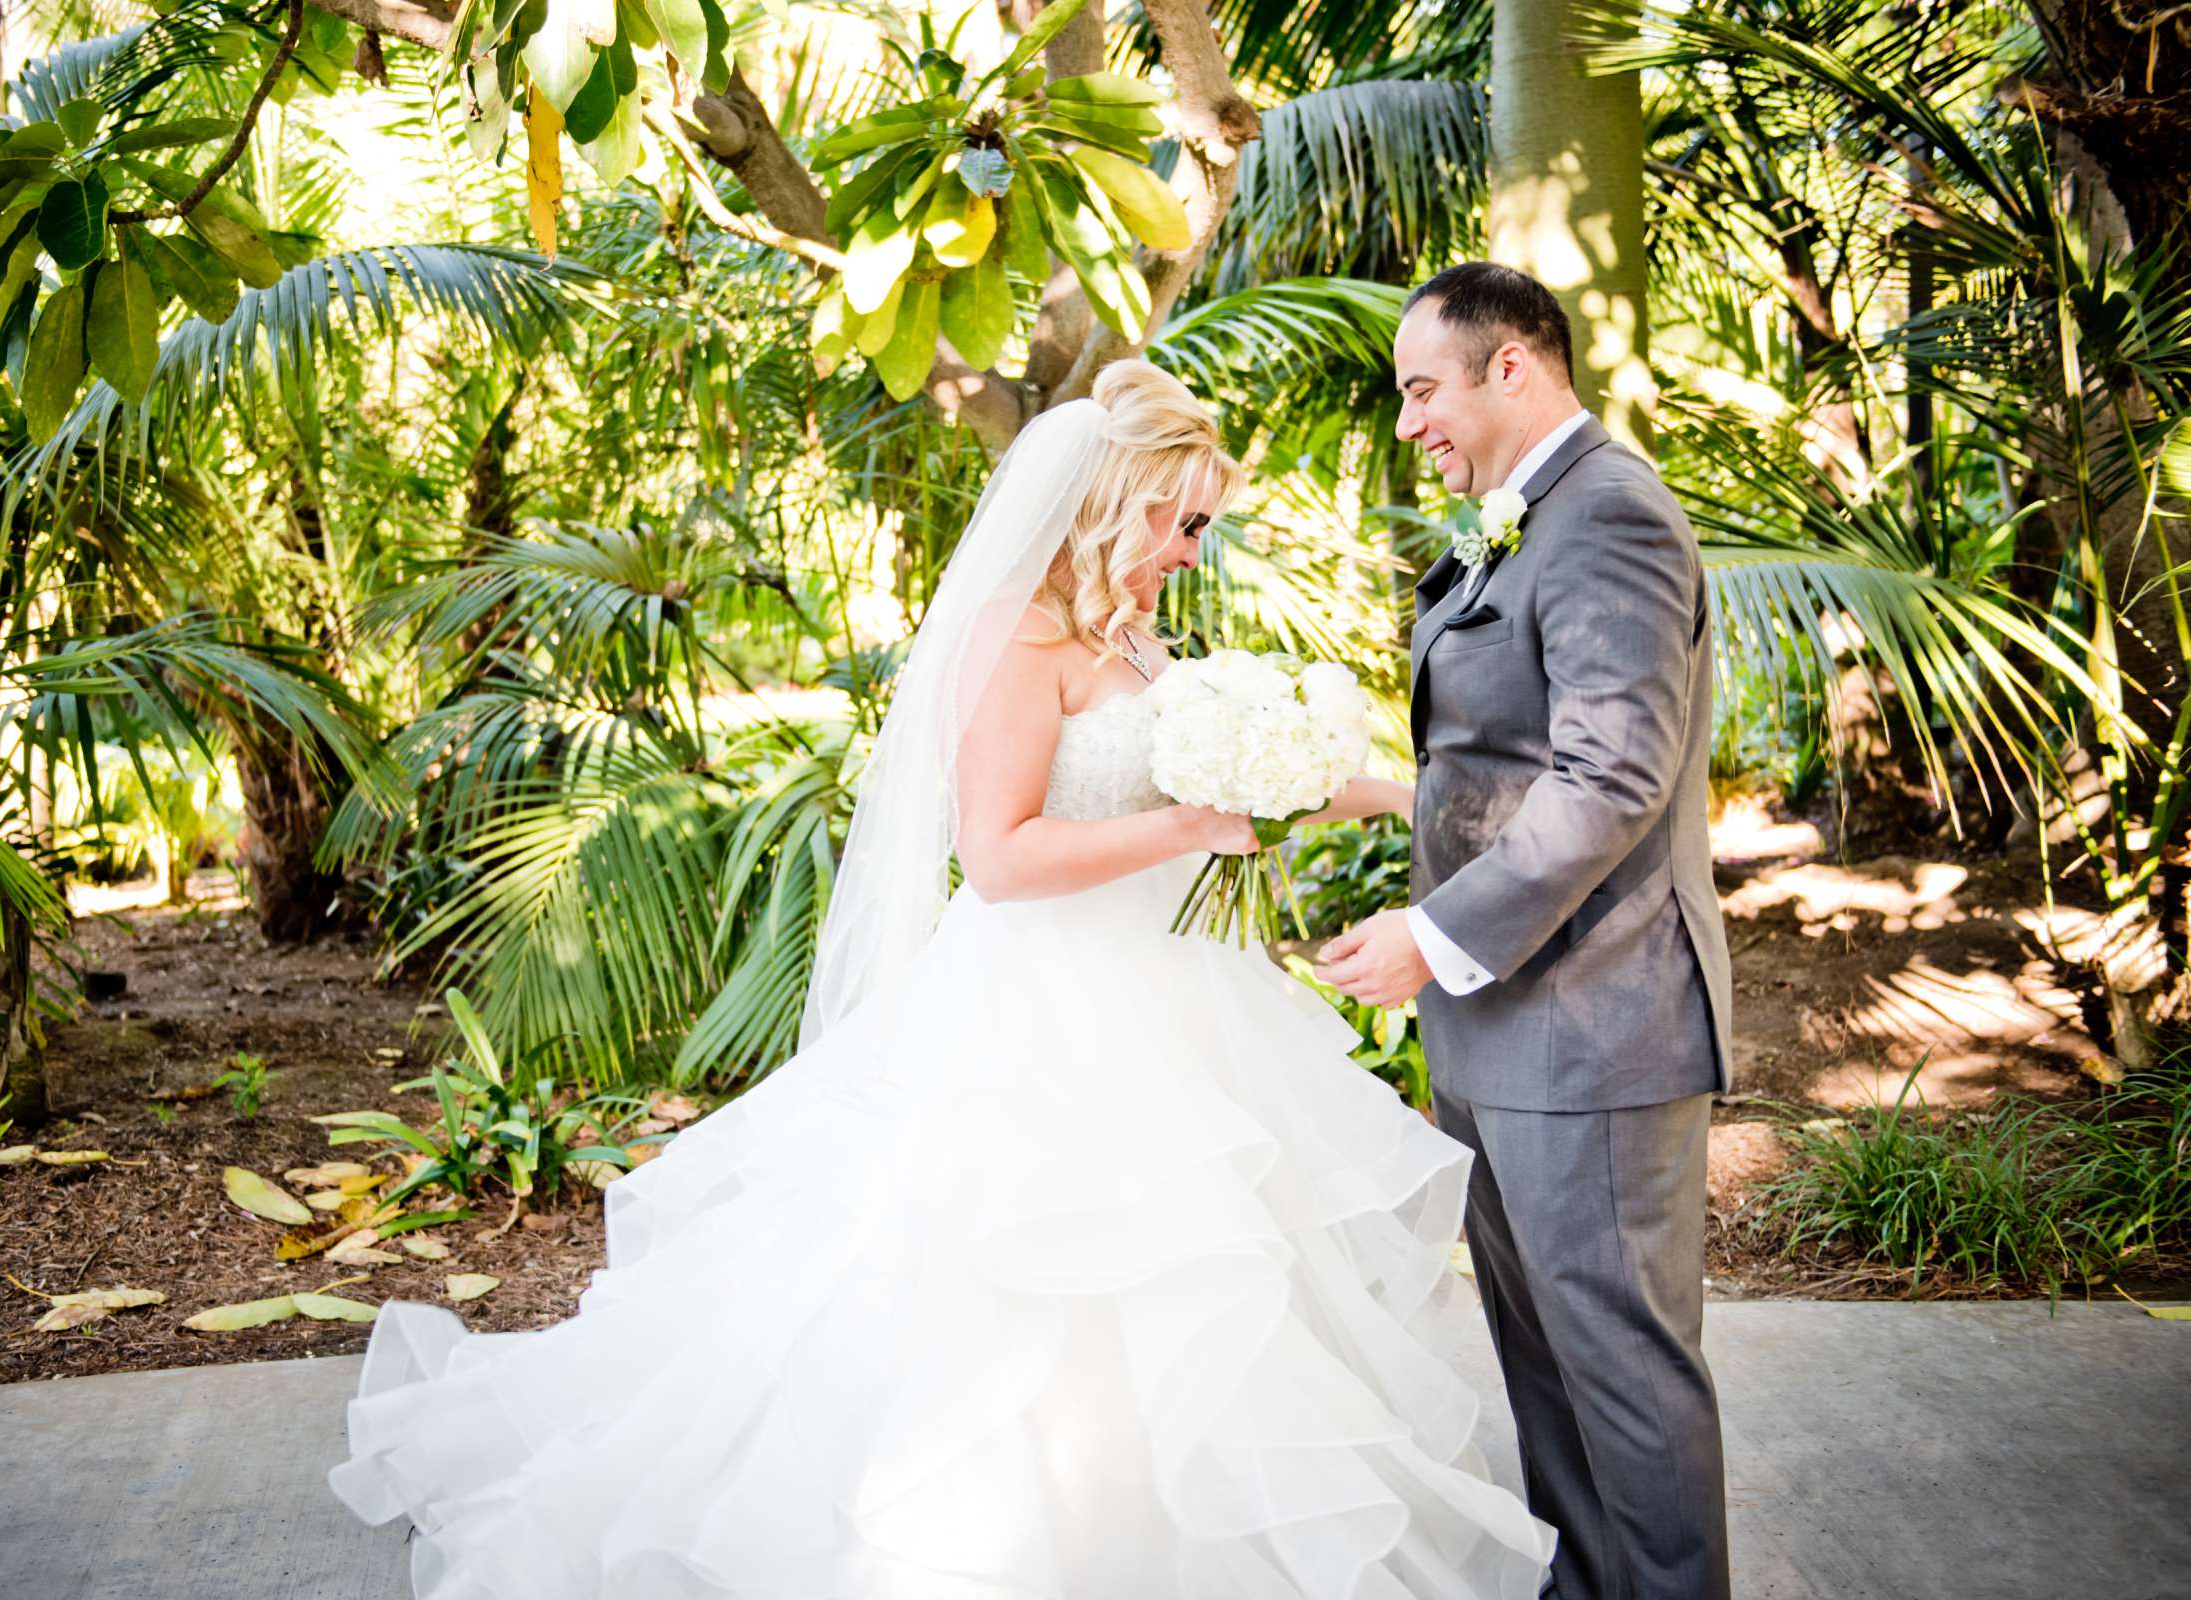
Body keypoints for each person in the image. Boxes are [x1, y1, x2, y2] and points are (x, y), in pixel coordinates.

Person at [328, 358, 1557, 1599]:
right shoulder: (1017, 635)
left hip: (1172, 995)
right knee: (1027, 1283)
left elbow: (1237, 765)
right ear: (1112, 500)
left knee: (1206, 1293)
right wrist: (1186, 833)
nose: (1190, 550)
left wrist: (1430, 797)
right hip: (1042, 1006)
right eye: (1180, 521)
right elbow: (1003, 856)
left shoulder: (1129, 632)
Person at [1315, 263, 1734, 1600]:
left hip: (1594, 1035)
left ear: (1514, 369)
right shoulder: (1522, 520)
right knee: (1544, 1365)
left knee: (1622, 1372)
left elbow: (1612, 777)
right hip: (1503, 1037)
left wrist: (1432, 938)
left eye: (1421, 389)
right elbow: (1509, 749)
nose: (1407, 422)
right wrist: (1385, 792)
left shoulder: (1608, 514)